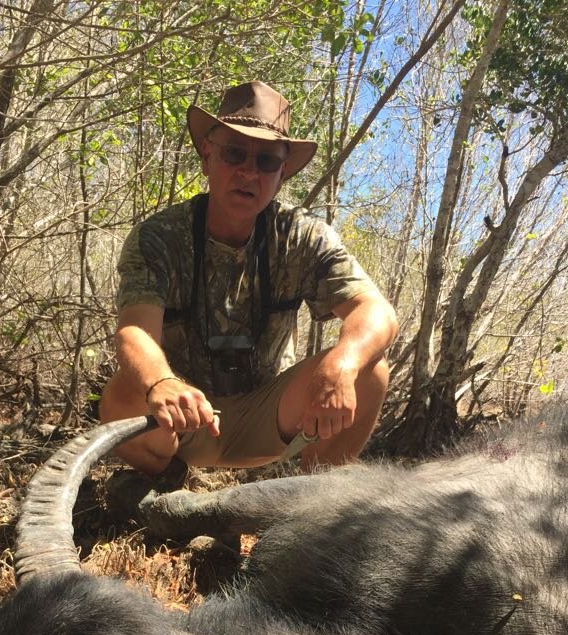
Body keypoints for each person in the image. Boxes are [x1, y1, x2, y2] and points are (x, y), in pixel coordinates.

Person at [100, 81, 397, 509]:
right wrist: (161, 383)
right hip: (186, 416)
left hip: (271, 417)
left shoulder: (303, 235)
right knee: (123, 395)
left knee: (371, 370)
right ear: (207, 156)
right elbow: (134, 330)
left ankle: (312, 506)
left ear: (282, 175)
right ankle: (167, 483)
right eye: (234, 154)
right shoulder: (159, 238)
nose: (248, 172)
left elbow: (377, 311)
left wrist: (342, 363)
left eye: (266, 161)